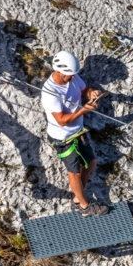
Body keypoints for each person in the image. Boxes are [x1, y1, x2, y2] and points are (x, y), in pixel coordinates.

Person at [41, 51, 109, 217]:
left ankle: (77, 199)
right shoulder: (50, 92)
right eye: (68, 75)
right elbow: (62, 121)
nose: (72, 78)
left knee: (90, 162)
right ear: (58, 71)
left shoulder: (72, 77)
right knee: (75, 172)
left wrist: (91, 93)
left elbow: (84, 89)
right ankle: (85, 207)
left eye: (73, 75)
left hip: (77, 132)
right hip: (62, 138)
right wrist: (83, 110)